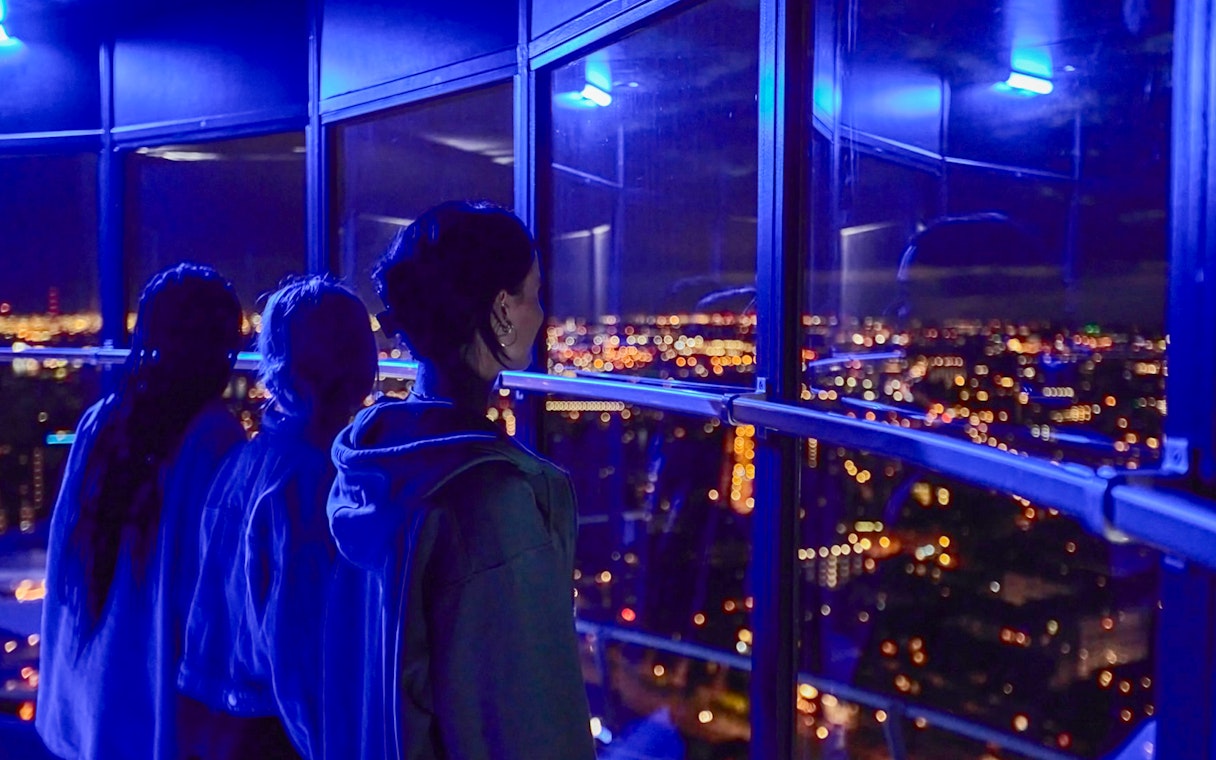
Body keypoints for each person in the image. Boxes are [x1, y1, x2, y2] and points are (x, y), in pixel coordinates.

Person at [325, 200, 597, 760]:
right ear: (500, 309)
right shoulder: (491, 503)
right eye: (532, 294)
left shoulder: (367, 469)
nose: (541, 314)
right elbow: (528, 719)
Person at [37, 263, 246, 760]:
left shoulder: (104, 422)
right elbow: (211, 598)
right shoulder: (214, 441)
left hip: (92, 702)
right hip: (158, 710)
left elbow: (68, 556)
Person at [177, 276, 377, 760]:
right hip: (275, 731)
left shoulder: (242, 461)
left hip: (212, 713)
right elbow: (299, 649)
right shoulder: (315, 480)